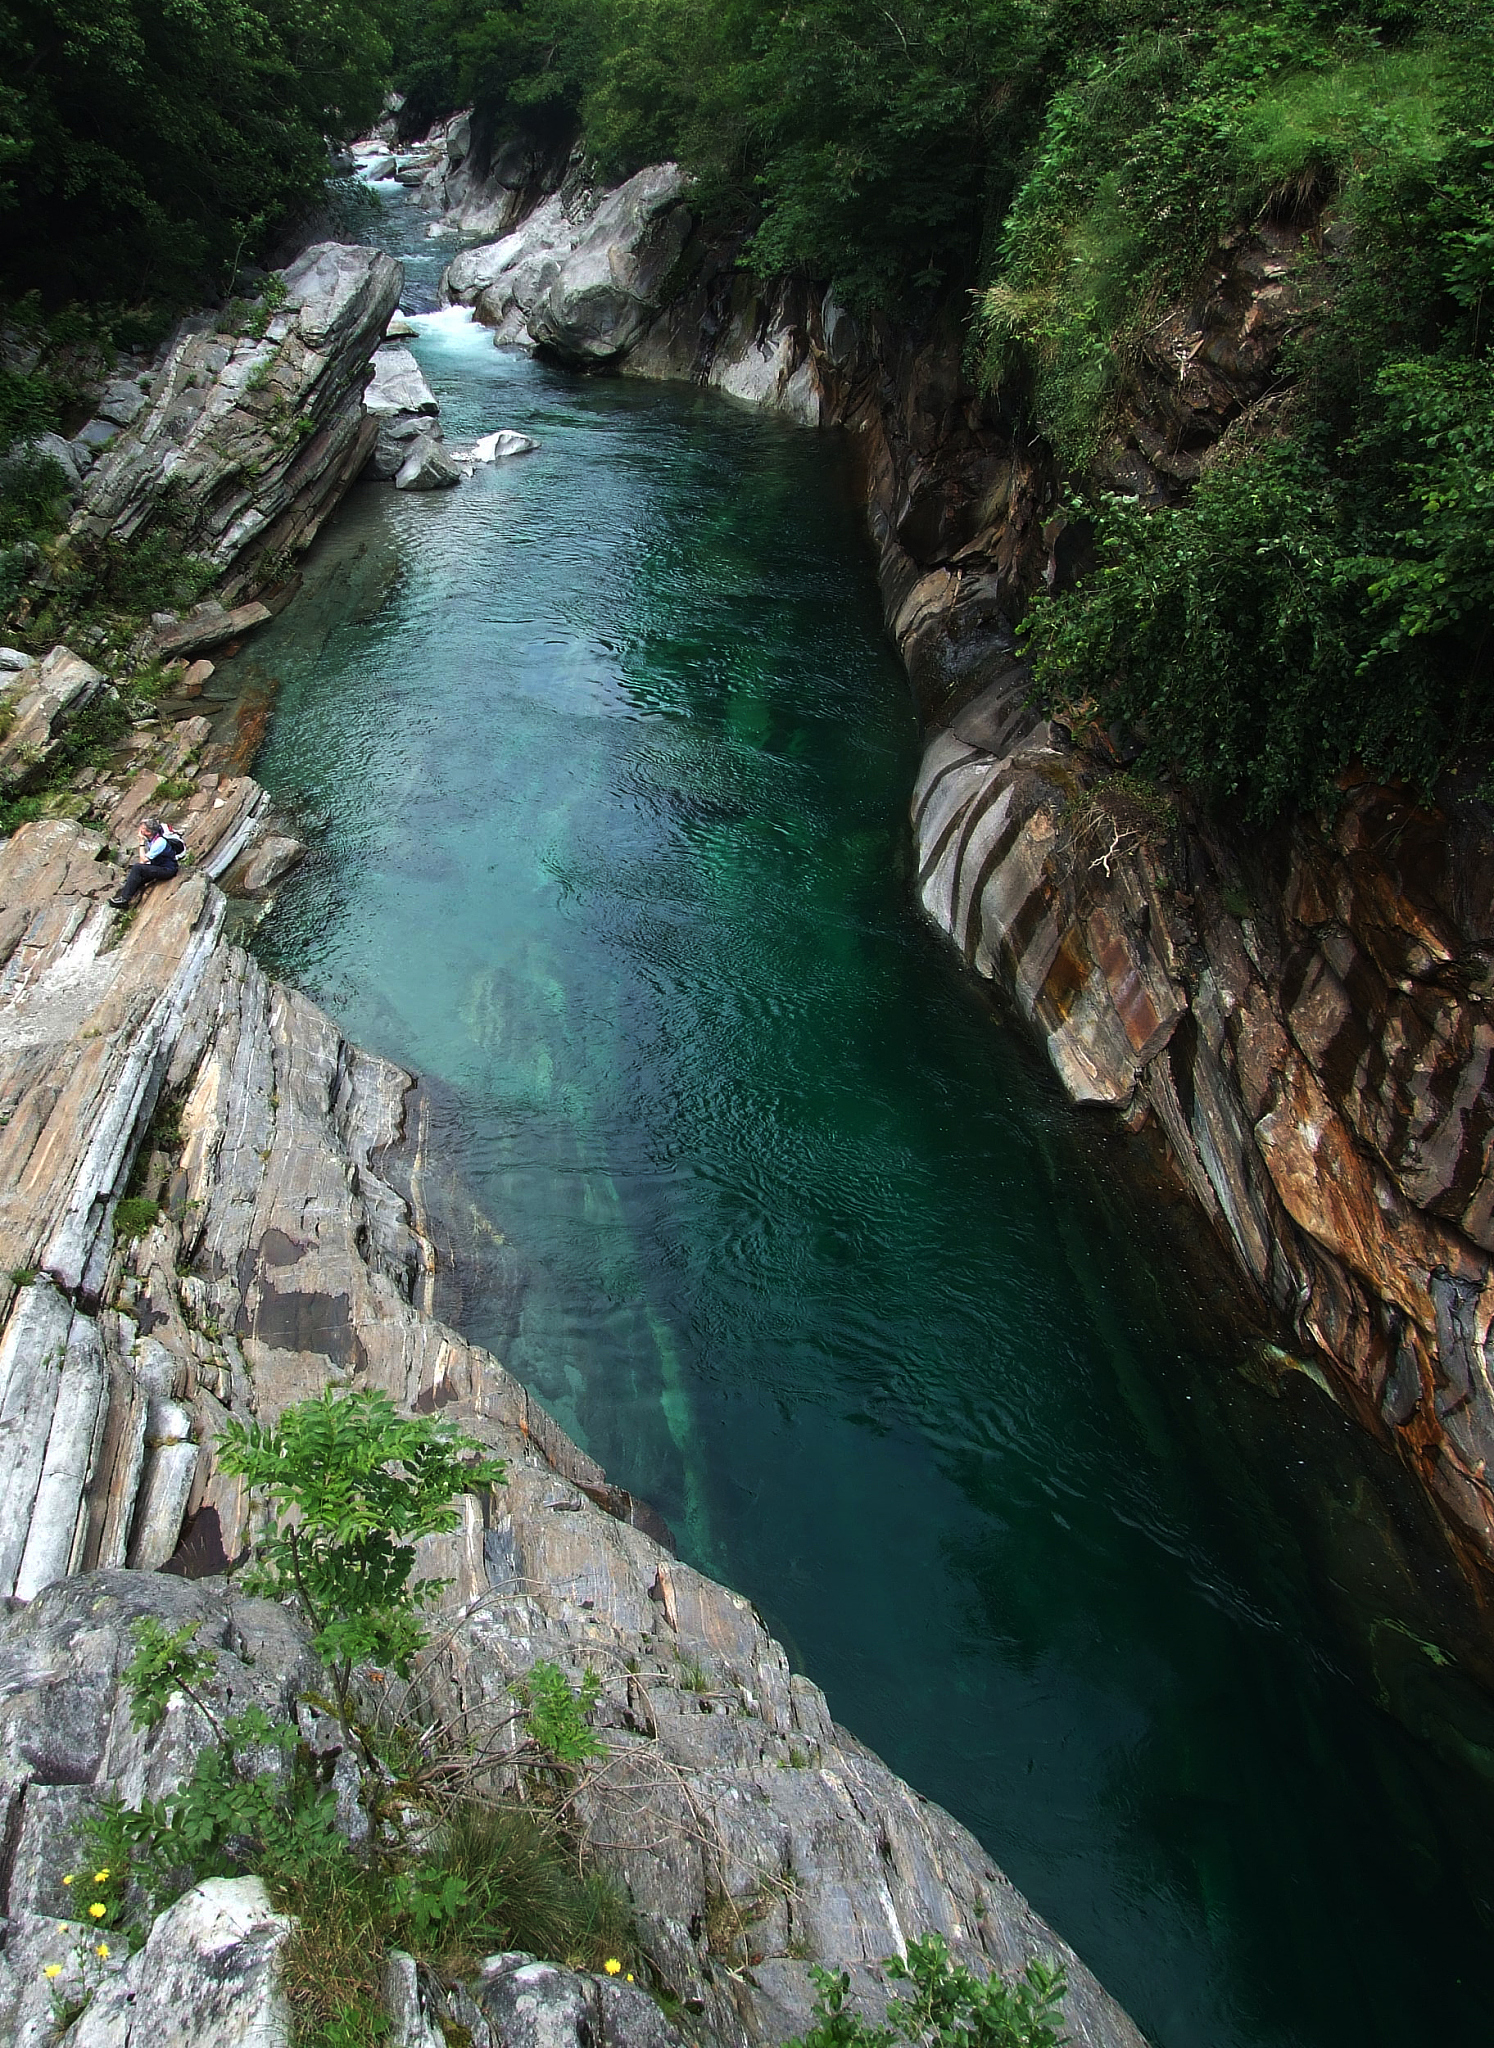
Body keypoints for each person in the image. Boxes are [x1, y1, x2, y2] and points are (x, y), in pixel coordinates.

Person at [109, 817, 185, 908]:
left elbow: (143, 860)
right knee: (137, 877)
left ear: (148, 832)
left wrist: (141, 842)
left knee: (137, 868)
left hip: (168, 869)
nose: (139, 829)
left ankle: (124, 900)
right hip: (159, 865)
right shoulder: (152, 839)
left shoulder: (159, 842)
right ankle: (127, 895)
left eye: (142, 828)